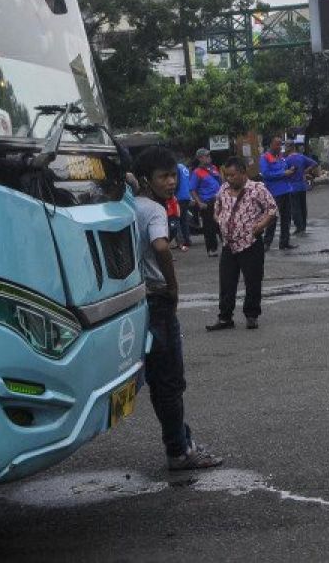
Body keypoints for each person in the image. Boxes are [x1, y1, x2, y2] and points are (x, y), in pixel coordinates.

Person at [131, 146, 225, 470]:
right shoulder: (154, 211)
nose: (171, 182)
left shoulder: (126, 206)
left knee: (160, 380)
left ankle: (181, 440)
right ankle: (179, 451)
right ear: (147, 179)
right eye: (164, 176)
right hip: (157, 298)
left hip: (135, 299)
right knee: (170, 380)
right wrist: (173, 286)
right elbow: (160, 245)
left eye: (173, 175)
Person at [210, 156, 279, 331]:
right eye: (226, 175)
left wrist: (261, 225)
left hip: (250, 243)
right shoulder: (223, 189)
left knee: (253, 281)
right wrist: (219, 220)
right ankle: (225, 317)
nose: (229, 179)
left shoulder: (257, 189)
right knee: (226, 282)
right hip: (229, 244)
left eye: (232, 175)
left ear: (243, 173)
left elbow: (272, 210)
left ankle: (251, 315)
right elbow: (217, 208)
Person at [259, 137, 297, 250]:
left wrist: (291, 171)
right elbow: (266, 174)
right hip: (274, 193)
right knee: (272, 218)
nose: (279, 147)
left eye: (280, 145)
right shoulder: (265, 158)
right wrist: (283, 173)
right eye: (277, 145)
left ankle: (284, 242)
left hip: (286, 190)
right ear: (270, 144)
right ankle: (266, 243)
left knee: (286, 218)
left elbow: (285, 170)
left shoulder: (281, 157)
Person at [190, 148, 222, 257]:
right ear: (200, 158)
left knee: (222, 223)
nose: (209, 157)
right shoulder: (197, 172)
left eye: (209, 155)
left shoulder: (213, 168)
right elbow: (193, 189)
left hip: (218, 200)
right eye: (206, 156)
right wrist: (199, 203)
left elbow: (220, 182)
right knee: (209, 227)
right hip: (207, 202)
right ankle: (211, 249)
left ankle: (228, 244)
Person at [285, 142, 319, 234]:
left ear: (290, 148)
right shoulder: (301, 157)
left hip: (292, 187)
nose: (285, 148)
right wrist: (305, 171)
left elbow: (284, 173)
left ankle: (299, 227)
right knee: (303, 207)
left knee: (295, 208)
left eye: (286, 146)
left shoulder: (286, 160)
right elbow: (315, 163)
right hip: (302, 186)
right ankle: (303, 226)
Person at [173, 155, 194, 250]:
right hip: (186, 196)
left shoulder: (176, 168)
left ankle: (181, 242)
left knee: (177, 219)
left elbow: (176, 183)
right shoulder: (184, 168)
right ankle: (187, 239)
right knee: (184, 220)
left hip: (179, 197)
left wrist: (172, 194)